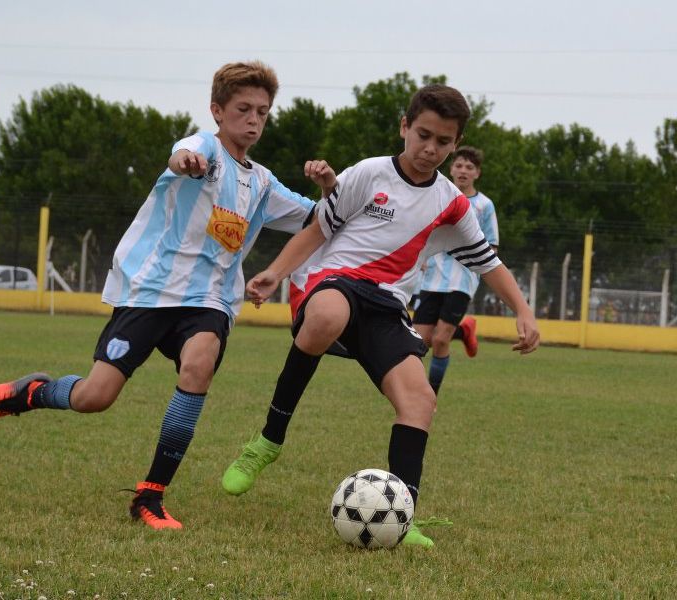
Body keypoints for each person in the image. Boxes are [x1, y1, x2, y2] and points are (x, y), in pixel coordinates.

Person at [0, 61, 335, 531]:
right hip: (150, 290)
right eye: (244, 108)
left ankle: (150, 496)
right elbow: (181, 152)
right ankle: (34, 393)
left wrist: (330, 187)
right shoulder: (204, 150)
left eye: (262, 111)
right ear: (218, 111)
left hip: (210, 300)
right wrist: (184, 162)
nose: (254, 119)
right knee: (95, 398)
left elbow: (320, 219)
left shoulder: (262, 183)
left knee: (199, 363)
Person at [220, 84, 539, 548]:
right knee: (327, 314)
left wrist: (524, 311)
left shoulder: (453, 202)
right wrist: (275, 272)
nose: (430, 149)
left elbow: (487, 261)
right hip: (334, 281)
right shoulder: (369, 173)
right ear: (404, 127)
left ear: (455, 144)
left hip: (388, 305)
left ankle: (402, 516)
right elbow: (317, 230)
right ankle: (267, 441)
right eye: (423, 135)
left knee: (420, 400)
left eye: (444, 142)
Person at [411, 146, 498, 395]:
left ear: (477, 174)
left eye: (469, 167)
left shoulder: (484, 206)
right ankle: (464, 329)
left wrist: (476, 264)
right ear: (451, 168)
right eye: (459, 165)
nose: (463, 171)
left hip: (462, 280)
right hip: (431, 278)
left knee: (440, 340)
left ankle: (429, 397)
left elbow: (492, 245)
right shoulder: (436, 196)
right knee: (421, 339)